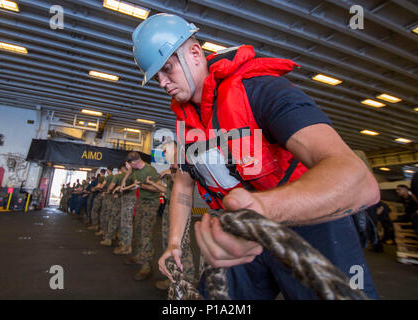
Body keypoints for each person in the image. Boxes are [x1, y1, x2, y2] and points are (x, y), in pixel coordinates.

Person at [132, 13, 380, 300]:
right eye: (156, 77)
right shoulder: (187, 124)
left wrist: (260, 210)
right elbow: (184, 187)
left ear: (195, 53)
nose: (163, 83)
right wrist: (174, 242)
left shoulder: (260, 89)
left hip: (313, 225)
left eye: (167, 69)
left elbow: (360, 181)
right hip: (243, 230)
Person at [146, 141, 195, 290]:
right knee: (169, 243)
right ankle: (174, 279)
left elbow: (186, 186)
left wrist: (172, 171)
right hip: (170, 207)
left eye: (166, 152)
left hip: (181, 209)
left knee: (182, 246)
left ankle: (186, 283)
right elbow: (168, 191)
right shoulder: (172, 168)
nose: (165, 155)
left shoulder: (182, 162)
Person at [120, 151, 160, 281]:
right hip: (141, 202)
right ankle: (139, 256)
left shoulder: (150, 170)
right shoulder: (135, 170)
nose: (132, 168)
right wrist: (127, 174)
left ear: (137, 161)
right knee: (137, 230)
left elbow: (157, 188)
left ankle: (147, 266)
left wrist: (142, 185)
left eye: (132, 165)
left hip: (151, 203)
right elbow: (126, 183)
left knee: (146, 233)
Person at [101, 164, 127, 246]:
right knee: (124, 220)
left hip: (117, 199)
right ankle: (120, 237)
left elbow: (111, 186)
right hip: (128, 200)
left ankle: (109, 238)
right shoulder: (132, 176)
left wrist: (109, 191)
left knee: (112, 218)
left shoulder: (117, 176)